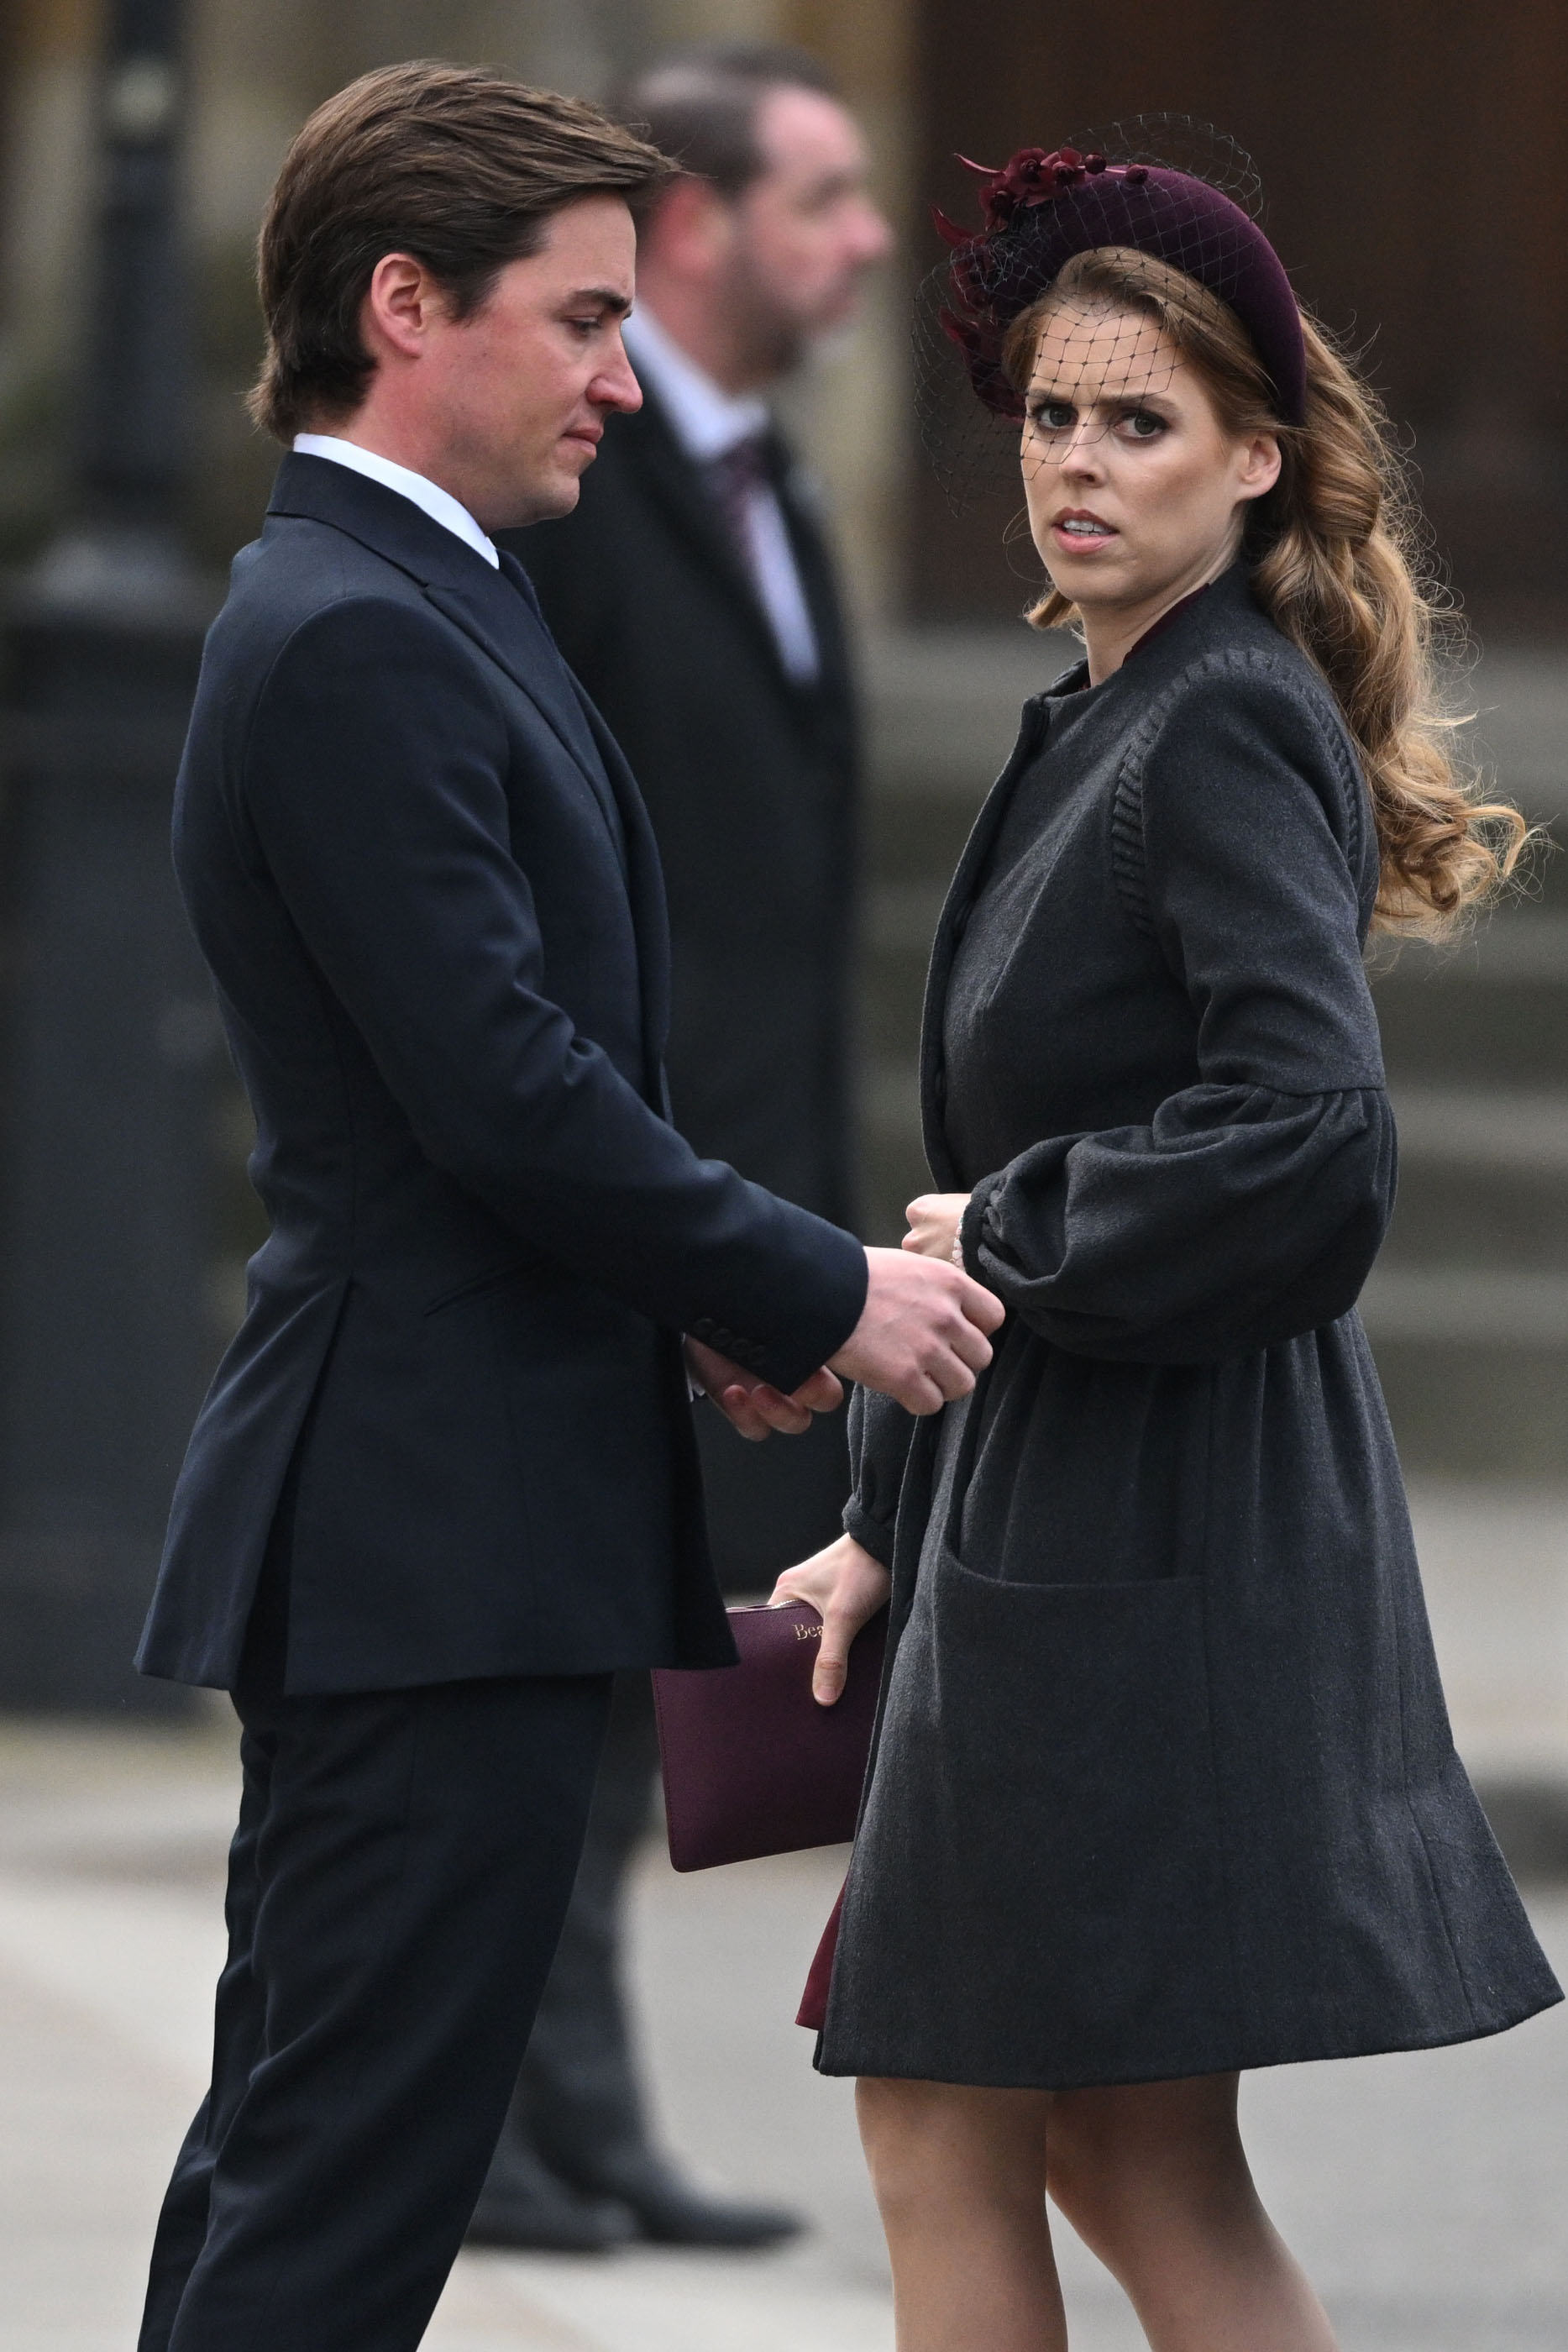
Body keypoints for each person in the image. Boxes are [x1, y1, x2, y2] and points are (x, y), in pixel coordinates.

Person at [130, 63, 1002, 2352]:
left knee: (302, 2155)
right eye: (585, 317)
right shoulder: (348, 629)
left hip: (468, 1496)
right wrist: (809, 1284)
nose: (627, 374)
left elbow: (525, 1080)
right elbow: (502, 1090)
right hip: (423, 1522)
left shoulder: (428, 593)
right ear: (406, 306)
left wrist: (692, 1300)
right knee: (339, 2192)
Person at [773, 137, 1563, 2352]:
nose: (1078, 465)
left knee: (956, 2121)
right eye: (1050, 414)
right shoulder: (1109, 709)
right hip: (1070, 1509)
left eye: (1137, 422)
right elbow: (1063, 1155)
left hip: (1151, 1535)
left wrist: (1006, 1226)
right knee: (1114, 2143)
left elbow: (1306, 1147)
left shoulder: (1211, 718)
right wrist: (881, 1525)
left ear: (1251, 455)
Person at [469, 42, 894, 2255]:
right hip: (629, 1181)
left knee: (632, 1676)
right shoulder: (585, 502)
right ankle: (518, 2131)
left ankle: (583, 2119)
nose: (869, 239)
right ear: (700, 228)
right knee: (562, 1667)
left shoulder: (776, 487)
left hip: (742, 1180)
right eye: (822, 198)